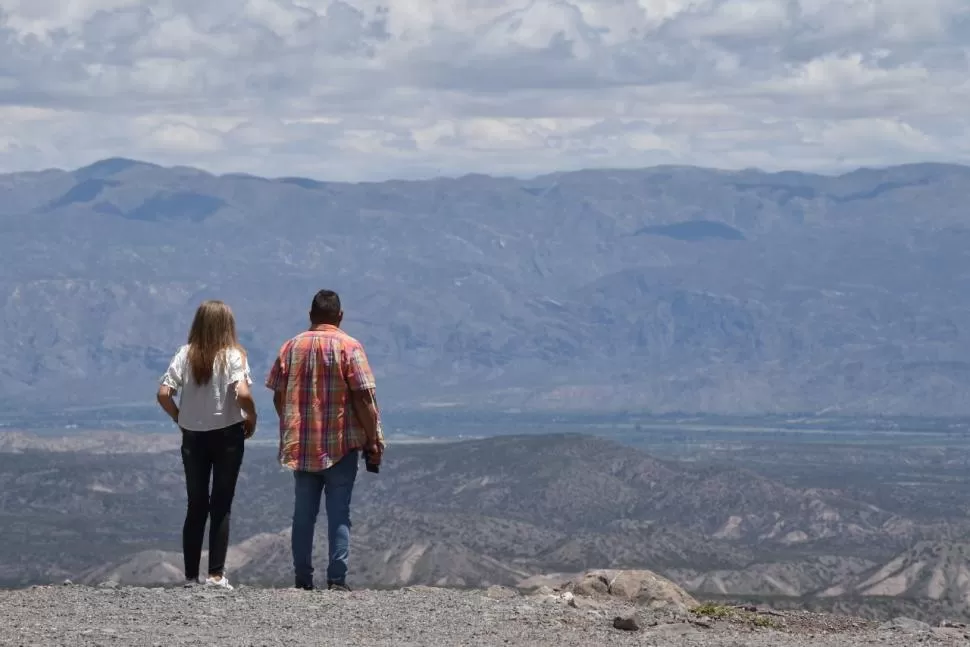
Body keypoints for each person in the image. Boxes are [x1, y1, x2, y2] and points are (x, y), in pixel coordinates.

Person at [265, 289, 384, 591]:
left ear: (310, 315)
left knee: (303, 515)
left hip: (302, 447)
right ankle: (337, 578)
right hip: (341, 445)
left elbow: (278, 395)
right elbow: (364, 398)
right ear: (340, 316)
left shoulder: (290, 347)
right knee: (339, 513)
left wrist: (293, 426)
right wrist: (373, 439)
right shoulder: (350, 347)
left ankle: (302, 579)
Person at [156, 300, 257, 591]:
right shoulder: (233, 356)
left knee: (196, 504)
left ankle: (190, 577)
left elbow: (164, 393)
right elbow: (243, 394)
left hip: (193, 437)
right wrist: (251, 416)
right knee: (221, 505)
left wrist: (180, 418)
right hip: (227, 435)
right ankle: (215, 575)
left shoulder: (185, 355)